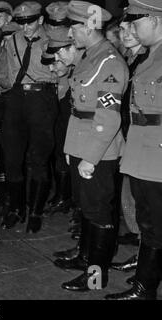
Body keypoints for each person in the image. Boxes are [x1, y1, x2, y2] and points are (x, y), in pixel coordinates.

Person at [53, 1, 128, 293]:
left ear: (87, 26)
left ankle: (96, 275)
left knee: (99, 213)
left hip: (98, 151)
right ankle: (84, 257)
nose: (70, 33)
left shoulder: (109, 63)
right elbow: (78, 107)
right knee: (86, 208)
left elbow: (108, 118)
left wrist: (91, 158)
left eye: (73, 26)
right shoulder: (89, 57)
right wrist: (73, 147)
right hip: (82, 145)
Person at [105, 0, 162, 300]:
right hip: (142, 150)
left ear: (153, 19)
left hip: (157, 153)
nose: (133, 30)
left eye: (136, 23)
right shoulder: (151, 55)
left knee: (154, 222)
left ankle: (145, 289)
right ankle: (144, 281)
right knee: (148, 220)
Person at [2, 1, 58, 233]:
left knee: (39, 158)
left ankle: (35, 211)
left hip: (42, 99)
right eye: (21, 22)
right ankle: (17, 209)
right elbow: (7, 69)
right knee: (13, 157)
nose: (26, 27)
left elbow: (64, 73)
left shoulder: (54, 39)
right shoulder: (12, 39)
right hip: (16, 99)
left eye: (30, 22)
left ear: (41, 19)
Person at [110, 15, 149, 274]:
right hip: (129, 134)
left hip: (143, 138)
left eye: (131, 28)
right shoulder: (130, 60)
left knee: (143, 201)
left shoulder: (148, 61)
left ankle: (144, 260)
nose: (125, 34)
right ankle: (141, 249)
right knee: (132, 197)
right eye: (122, 29)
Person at [43, 27, 75, 218]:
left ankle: (68, 198)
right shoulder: (62, 77)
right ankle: (62, 195)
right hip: (61, 119)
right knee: (59, 154)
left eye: (55, 64)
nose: (52, 69)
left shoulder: (78, 76)